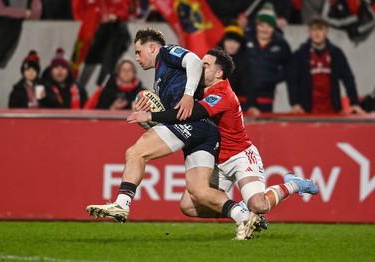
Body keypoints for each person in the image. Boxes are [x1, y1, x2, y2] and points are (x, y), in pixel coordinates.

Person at [128, 47, 319, 240]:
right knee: (188, 206)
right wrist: (146, 107)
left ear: (218, 73)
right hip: (215, 159)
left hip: (240, 156)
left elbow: (189, 114)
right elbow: (170, 100)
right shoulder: (195, 88)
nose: (199, 68)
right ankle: (240, 211)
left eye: (205, 65)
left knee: (259, 205)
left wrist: (151, 115)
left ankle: (293, 184)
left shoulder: (222, 94)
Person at [86, 28, 255, 240]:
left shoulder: (166, 52)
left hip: (191, 122)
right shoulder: (162, 76)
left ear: (152, 47)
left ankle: (122, 203)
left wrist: (185, 96)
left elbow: (193, 60)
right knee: (199, 192)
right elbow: (170, 114)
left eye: (139, 52)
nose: (137, 58)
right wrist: (152, 117)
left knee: (135, 153)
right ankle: (244, 215)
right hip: (206, 130)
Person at [287, 17, 366, 114]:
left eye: (320, 29)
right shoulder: (301, 54)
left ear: (326, 31)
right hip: (307, 112)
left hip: (333, 111)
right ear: (309, 31)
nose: (317, 33)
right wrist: (295, 103)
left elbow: (348, 79)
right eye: (313, 29)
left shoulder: (336, 53)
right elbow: (292, 80)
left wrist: (355, 103)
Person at [244, 3, 292, 114]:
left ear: (274, 27)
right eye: (261, 25)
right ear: (256, 26)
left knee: (264, 128)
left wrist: (274, 78)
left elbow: (290, 66)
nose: (264, 29)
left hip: (266, 96)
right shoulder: (245, 39)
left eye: (269, 26)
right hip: (242, 96)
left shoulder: (281, 43)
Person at [217, 23, 255, 113]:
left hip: (234, 104)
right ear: (223, 42)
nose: (232, 45)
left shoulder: (244, 61)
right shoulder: (213, 59)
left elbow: (248, 83)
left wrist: (252, 105)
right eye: (229, 41)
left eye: (235, 42)